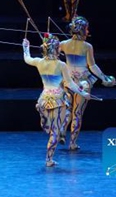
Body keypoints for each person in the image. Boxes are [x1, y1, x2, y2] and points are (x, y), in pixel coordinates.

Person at [22, 33, 90, 167]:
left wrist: (26, 47)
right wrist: (83, 92)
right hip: (58, 101)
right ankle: (49, 159)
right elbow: (70, 84)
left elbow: (27, 58)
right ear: (55, 49)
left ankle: (46, 127)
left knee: (50, 127)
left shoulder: (39, 62)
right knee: (56, 132)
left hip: (43, 100)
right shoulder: (61, 65)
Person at [60, 16, 115, 150]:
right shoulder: (87, 47)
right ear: (82, 30)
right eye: (86, 28)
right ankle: (72, 143)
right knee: (77, 112)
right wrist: (103, 77)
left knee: (67, 109)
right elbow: (92, 66)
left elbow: (51, 58)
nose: (87, 31)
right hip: (83, 82)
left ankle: (62, 130)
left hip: (68, 81)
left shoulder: (63, 44)